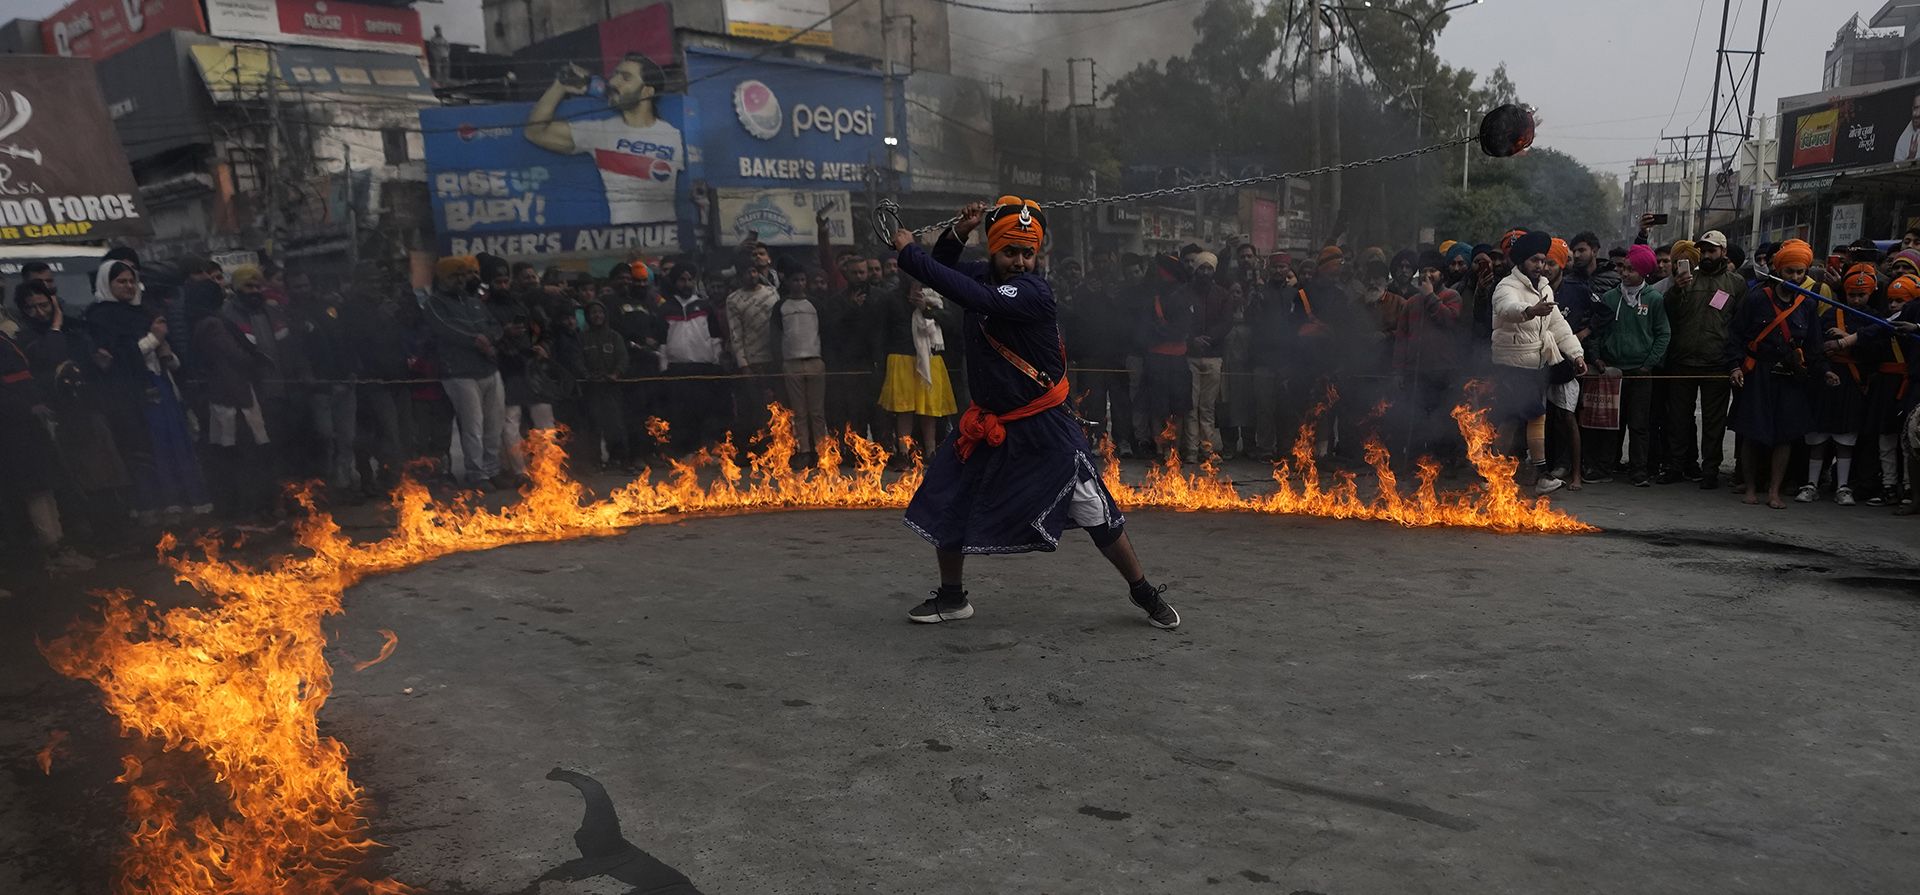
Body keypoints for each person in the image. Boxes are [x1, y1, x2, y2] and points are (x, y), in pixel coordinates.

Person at [888, 197, 1178, 629]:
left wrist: (909, 252)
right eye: (1010, 252)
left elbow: (960, 290)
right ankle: (952, 597)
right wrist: (959, 231)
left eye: (1028, 253)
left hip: (1043, 428)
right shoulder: (985, 275)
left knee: (1096, 511)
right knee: (950, 500)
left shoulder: (1033, 292)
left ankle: (1142, 590)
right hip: (987, 425)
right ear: (994, 251)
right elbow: (946, 269)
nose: (1020, 261)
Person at [1728, 239, 1830, 509]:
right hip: (1758, 373)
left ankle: (1774, 491)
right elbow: (1736, 336)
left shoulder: (1807, 305)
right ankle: (1750, 488)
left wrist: (1825, 371)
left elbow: (1814, 345)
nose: (1795, 277)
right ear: (1778, 271)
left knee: (1784, 437)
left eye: (1800, 272)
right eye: (1790, 272)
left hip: (1789, 377)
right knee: (1752, 432)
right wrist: (1736, 365)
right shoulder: (1756, 299)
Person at [525, 52, 681, 226]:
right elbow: (535, 132)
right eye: (615, 75)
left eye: (626, 78)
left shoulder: (673, 136)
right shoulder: (602, 132)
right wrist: (559, 86)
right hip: (626, 245)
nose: (613, 82)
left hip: (669, 244)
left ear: (647, 91)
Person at [1490, 230, 1587, 495]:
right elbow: (1506, 308)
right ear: (1521, 261)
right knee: (1535, 414)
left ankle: (1494, 470)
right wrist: (1530, 311)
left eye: (1543, 261)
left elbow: (1558, 325)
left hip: (1536, 365)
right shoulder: (1506, 287)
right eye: (1535, 260)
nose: (1540, 265)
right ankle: (1541, 474)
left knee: (1512, 418)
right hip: (1511, 364)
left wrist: (1576, 354)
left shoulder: (1543, 287)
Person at [1659, 230, 1744, 488]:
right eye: (1703, 251)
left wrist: (1734, 363)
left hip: (1716, 363)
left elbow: (1739, 327)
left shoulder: (1736, 284)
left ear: (1723, 252)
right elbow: (1667, 314)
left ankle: (1710, 471)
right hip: (1682, 361)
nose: (1706, 255)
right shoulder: (1686, 279)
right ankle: (1676, 466)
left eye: (1712, 251)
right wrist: (1676, 290)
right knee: (1678, 420)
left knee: (1713, 422)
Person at [424, 256, 512, 490]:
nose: (461, 280)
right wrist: (475, 340)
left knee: (494, 424)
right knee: (473, 426)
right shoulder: (435, 303)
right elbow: (445, 329)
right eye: (455, 276)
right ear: (442, 279)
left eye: (463, 275)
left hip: (487, 368)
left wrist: (489, 340)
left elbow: (493, 326)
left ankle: (492, 470)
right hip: (460, 373)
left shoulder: (474, 301)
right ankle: (477, 474)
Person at [1799, 264, 1881, 506]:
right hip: (1825, 383)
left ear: (1870, 294)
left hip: (1853, 384)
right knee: (1818, 437)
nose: (1855, 300)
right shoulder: (1830, 314)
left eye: (1861, 295)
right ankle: (1811, 483)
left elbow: (1876, 348)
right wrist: (1824, 369)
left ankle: (1843, 486)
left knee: (1846, 438)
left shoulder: (1875, 319)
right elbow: (1816, 347)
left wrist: (1847, 340)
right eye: (1851, 295)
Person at [1593, 245, 1670, 486]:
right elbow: (1597, 330)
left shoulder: (1654, 299)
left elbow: (1663, 334)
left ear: (1644, 272)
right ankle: (1605, 466)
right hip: (1612, 369)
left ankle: (1638, 470)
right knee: (1609, 422)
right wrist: (1598, 358)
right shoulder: (1610, 297)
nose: (1625, 274)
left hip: (1640, 371)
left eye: (1631, 269)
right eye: (1624, 268)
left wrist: (1649, 363)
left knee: (1639, 424)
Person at [875, 273, 958, 459]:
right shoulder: (891, 299)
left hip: (930, 357)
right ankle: (903, 453)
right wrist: (879, 361)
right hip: (901, 357)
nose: (917, 286)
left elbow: (951, 323)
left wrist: (926, 309)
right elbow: (882, 331)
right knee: (904, 410)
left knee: (929, 409)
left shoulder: (937, 297)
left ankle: (930, 452)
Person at [659, 263, 730, 453]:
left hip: (703, 367)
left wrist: (716, 362)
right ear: (675, 282)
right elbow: (661, 342)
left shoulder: (705, 306)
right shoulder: (666, 308)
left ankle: (706, 452)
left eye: (690, 279)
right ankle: (686, 453)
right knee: (682, 414)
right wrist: (663, 368)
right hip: (677, 369)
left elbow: (715, 337)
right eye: (682, 280)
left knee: (706, 411)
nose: (686, 283)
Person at [1137, 254, 1193, 458]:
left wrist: (1163, 333)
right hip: (1157, 360)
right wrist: (1167, 333)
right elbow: (1144, 331)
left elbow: (1184, 329)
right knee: (1157, 406)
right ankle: (1161, 448)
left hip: (1175, 360)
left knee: (1178, 408)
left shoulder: (1184, 298)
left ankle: (1173, 449)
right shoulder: (1152, 298)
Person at [769, 272, 827, 461]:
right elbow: (776, 336)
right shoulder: (781, 306)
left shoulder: (815, 304)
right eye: (796, 279)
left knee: (817, 411)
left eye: (803, 279)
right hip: (791, 362)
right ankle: (804, 451)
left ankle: (821, 450)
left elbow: (825, 332)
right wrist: (779, 362)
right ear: (788, 281)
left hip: (815, 360)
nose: (800, 283)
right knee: (799, 412)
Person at [1183, 251, 1236, 461]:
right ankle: (1191, 450)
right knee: (1190, 406)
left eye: (1209, 268)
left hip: (1214, 356)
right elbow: (1178, 320)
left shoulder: (1223, 295)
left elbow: (1226, 322)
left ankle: (1207, 449)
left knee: (1207, 407)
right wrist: (1192, 340)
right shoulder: (1184, 293)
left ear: (1214, 271)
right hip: (1190, 356)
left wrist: (1209, 339)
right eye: (1201, 268)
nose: (1205, 272)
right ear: (1196, 270)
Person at [726, 267, 782, 435]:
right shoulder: (734, 299)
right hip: (753, 362)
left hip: (775, 360)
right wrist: (744, 366)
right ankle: (759, 451)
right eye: (746, 272)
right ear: (739, 275)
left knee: (779, 410)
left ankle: (781, 453)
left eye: (753, 271)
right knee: (756, 410)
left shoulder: (772, 293)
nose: (751, 275)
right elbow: (736, 334)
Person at [577, 300, 632, 469]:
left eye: (600, 312)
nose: (597, 315)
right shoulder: (583, 338)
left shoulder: (614, 336)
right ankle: (595, 461)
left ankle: (621, 460)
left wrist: (616, 374)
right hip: (592, 388)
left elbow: (623, 358)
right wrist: (587, 376)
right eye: (593, 312)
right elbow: (578, 360)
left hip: (611, 387)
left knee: (615, 425)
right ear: (588, 316)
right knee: (594, 425)